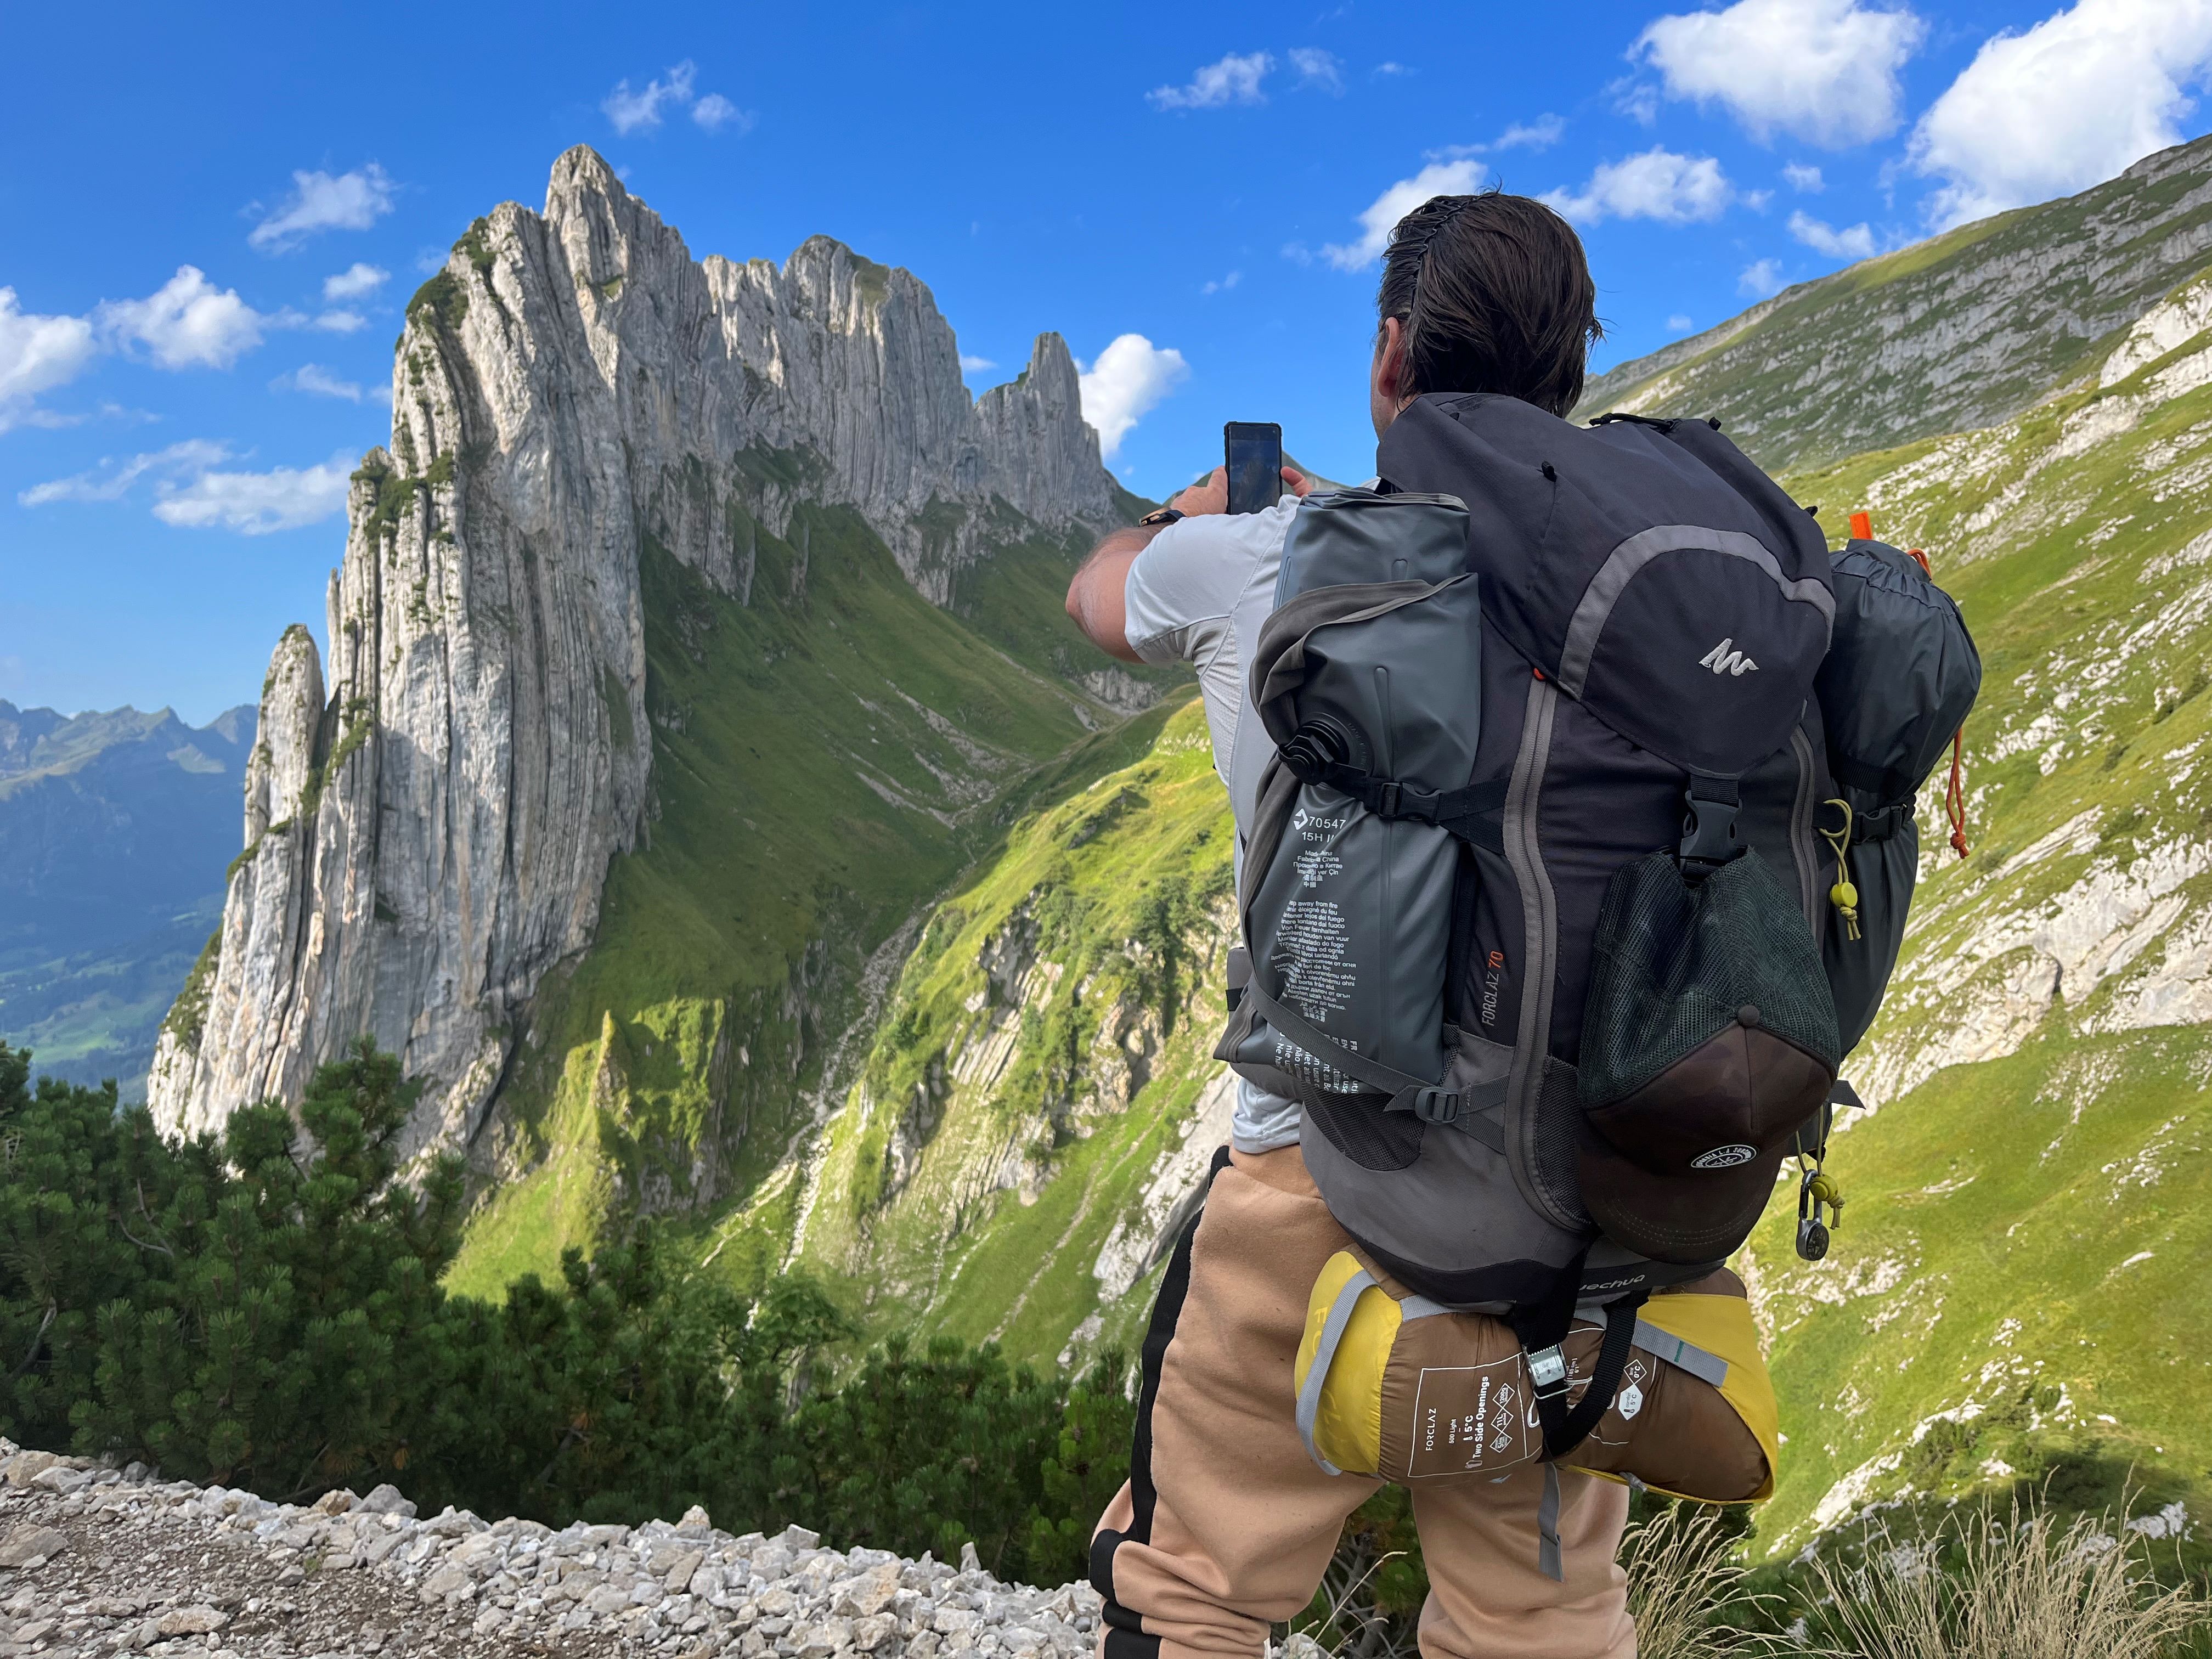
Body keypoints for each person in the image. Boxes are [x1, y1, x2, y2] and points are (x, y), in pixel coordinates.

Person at [1063, 192, 1637, 1659]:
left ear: (1391, 357)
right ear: (1570, 374)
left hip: (1318, 1177)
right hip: (1576, 1202)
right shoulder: (1639, 587)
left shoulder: (1258, 562)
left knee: (1191, 1590)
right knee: (1540, 1621)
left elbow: (1095, 600)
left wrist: (1190, 519)